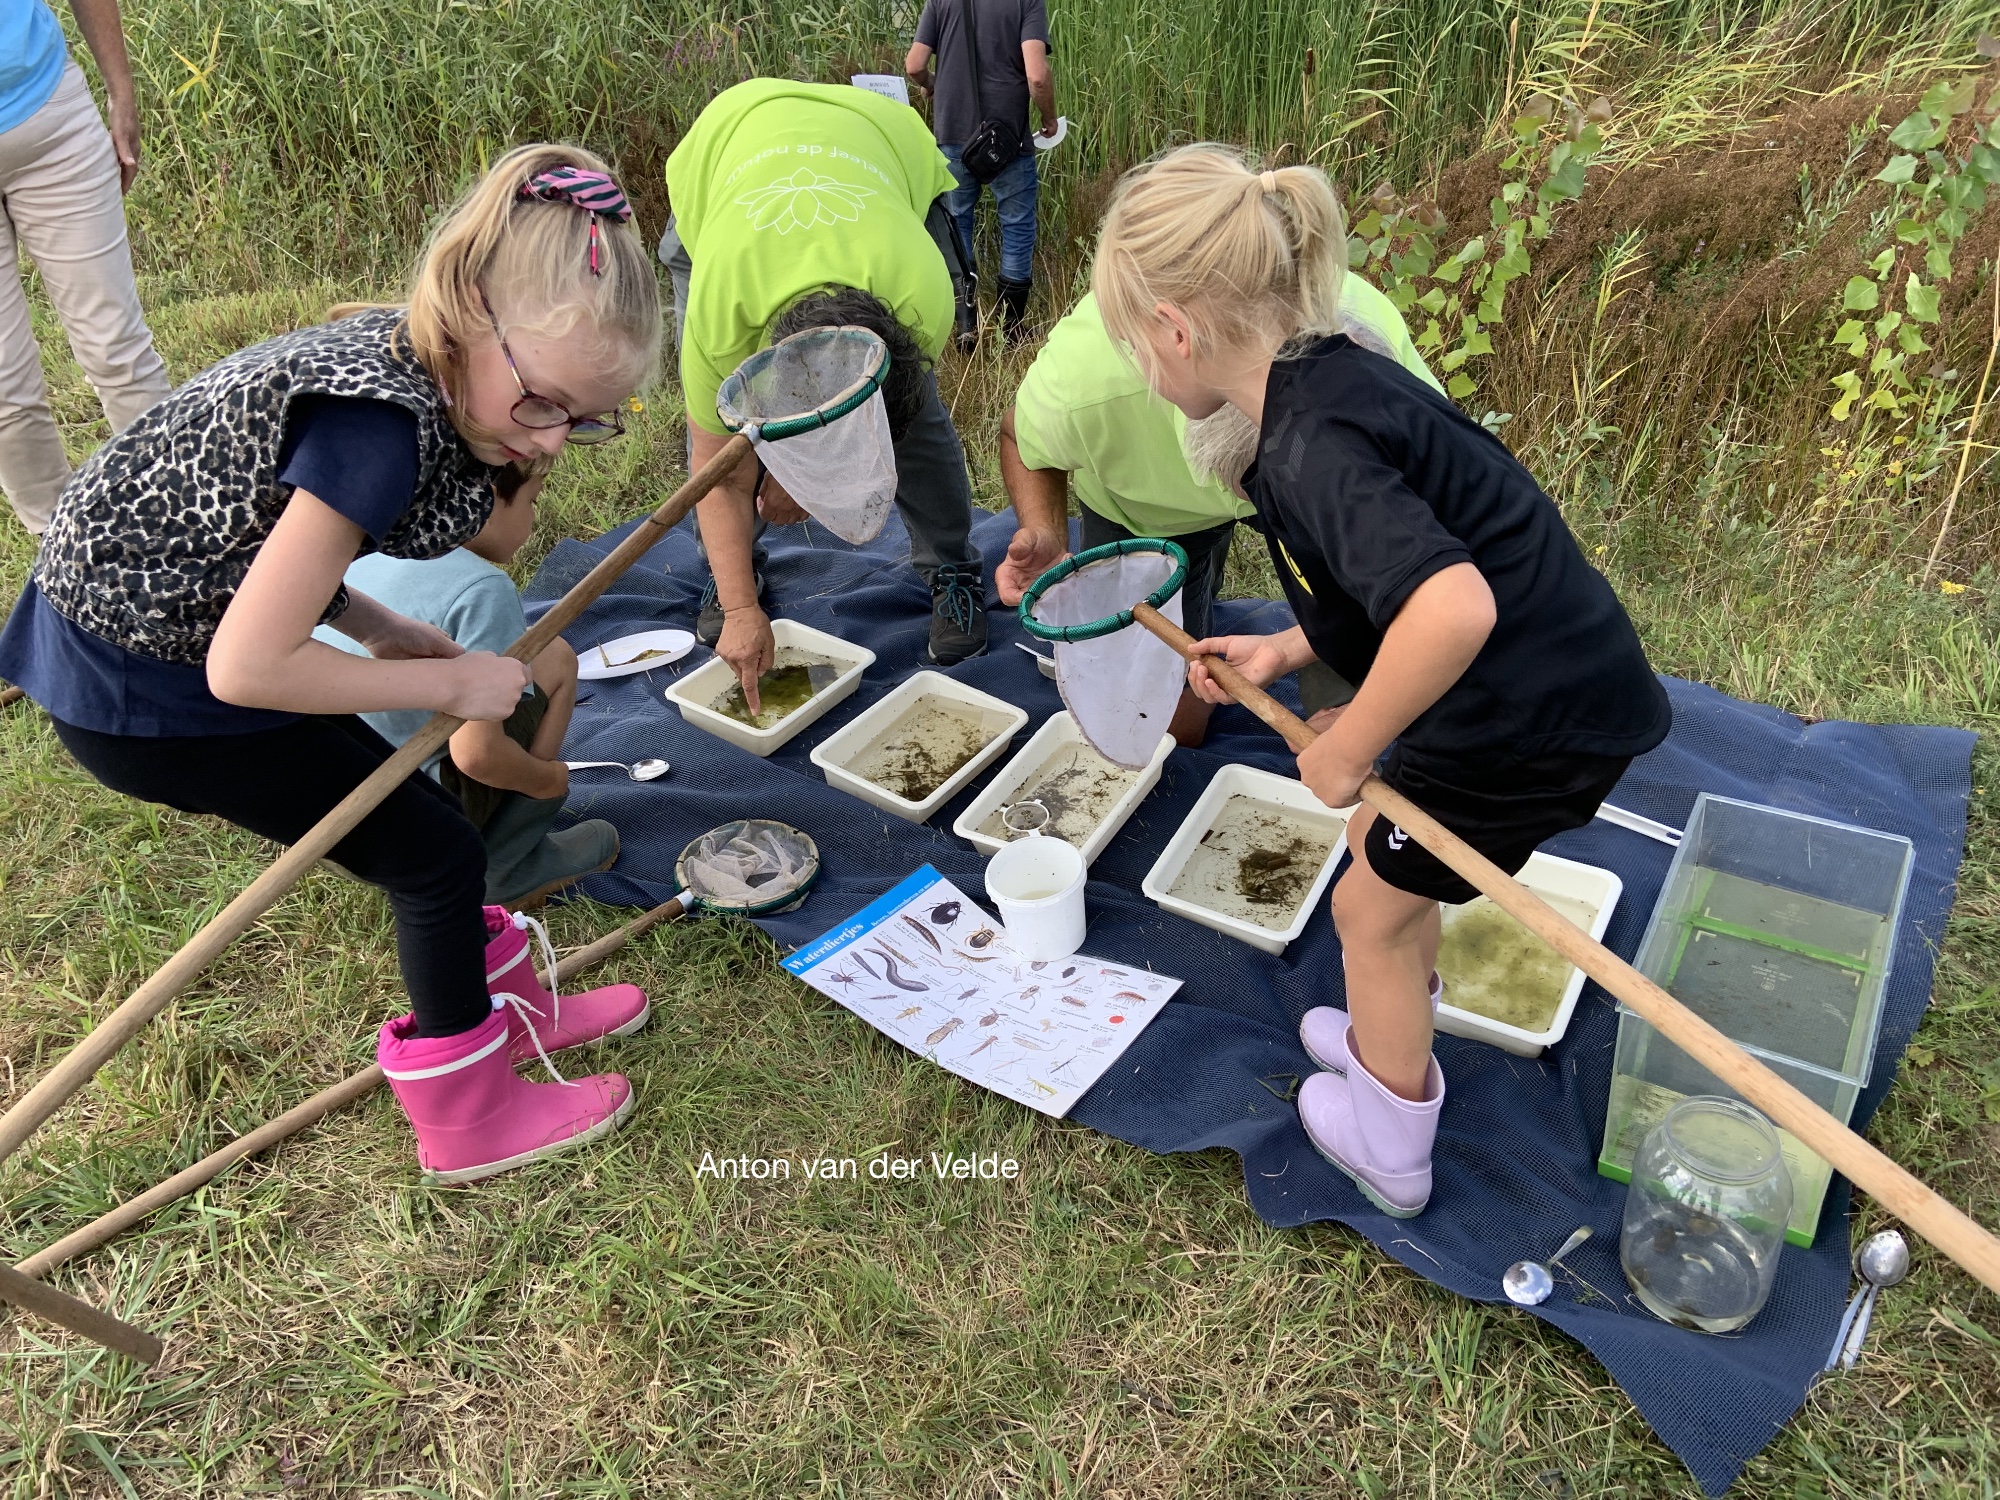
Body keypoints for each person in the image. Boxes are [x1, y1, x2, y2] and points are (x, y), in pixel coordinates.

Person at [0, 144, 662, 1184]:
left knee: (428, 833)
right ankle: (467, 1113)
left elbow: (251, 549)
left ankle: (502, 1010)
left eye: (585, 422)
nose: (550, 445)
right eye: (543, 404)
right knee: (430, 856)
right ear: (473, 311)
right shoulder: (380, 429)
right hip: (142, 689)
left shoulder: (399, 361)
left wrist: (376, 628)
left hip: (159, 637)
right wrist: (448, 682)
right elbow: (248, 667)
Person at [1091, 144, 1671, 1218]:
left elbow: (1450, 608)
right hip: (1541, 678)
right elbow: (1393, 581)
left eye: (1132, 342)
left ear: (1174, 328)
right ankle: (1381, 1036)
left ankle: (1389, 1145)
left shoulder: (1312, 447)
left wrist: (1350, 742)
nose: (1138, 364)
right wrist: (1282, 655)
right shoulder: (1328, 373)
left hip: (1527, 718)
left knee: (1364, 909)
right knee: (1377, 859)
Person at [993, 281, 1440, 744]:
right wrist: (1043, 528)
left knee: (1363, 713)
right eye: (1249, 488)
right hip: (1144, 514)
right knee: (1164, 724)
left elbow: (1441, 596)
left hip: (1347, 497)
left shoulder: (1378, 370)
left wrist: (1358, 728)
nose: (1267, 510)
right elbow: (1020, 439)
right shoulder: (1083, 388)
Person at [660, 77, 989, 686]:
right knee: (726, 446)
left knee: (919, 422)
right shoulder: (721, 315)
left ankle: (952, 571)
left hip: (879, 137)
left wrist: (805, 483)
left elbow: (891, 415)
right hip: (731, 137)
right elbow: (718, 472)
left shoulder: (922, 297)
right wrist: (740, 610)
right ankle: (731, 575)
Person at [313, 463, 620, 910]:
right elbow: (478, 755)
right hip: (421, 825)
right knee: (555, 658)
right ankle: (509, 862)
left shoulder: (369, 551)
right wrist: (550, 781)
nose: (534, 519)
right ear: (489, 498)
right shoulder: (481, 587)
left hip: (332, 826)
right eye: (532, 500)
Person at [0, 0, 170, 535]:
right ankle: (66, 561)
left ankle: (179, 522)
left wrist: (121, 91)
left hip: (50, 122)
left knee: (117, 348)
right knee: (4, 393)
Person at [905, 0, 1057, 348]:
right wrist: (1049, 116)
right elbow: (1036, 75)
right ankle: (1012, 330)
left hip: (954, 134)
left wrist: (933, 83)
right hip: (1007, 138)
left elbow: (914, 64)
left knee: (958, 224)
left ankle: (965, 326)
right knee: (1017, 225)